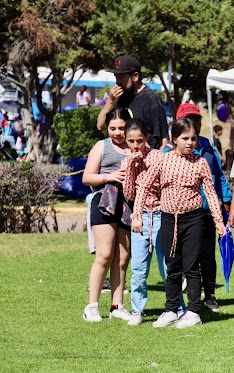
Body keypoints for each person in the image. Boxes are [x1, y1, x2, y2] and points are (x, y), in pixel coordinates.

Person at [133, 118, 226, 329]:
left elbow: (210, 194)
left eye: (193, 138)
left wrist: (218, 221)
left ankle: (193, 311)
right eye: (185, 138)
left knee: (192, 267)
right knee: (172, 266)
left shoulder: (200, 162)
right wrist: (137, 215)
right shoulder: (163, 160)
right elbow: (144, 186)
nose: (190, 142)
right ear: (174, 139)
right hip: (167, 218)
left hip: (194, 219)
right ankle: (171, 310)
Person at [171, 103, 232, 313]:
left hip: (207, 209)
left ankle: (210, 295)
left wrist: (226, 198)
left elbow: (218, 175)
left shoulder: (207, 145)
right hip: (183, 211)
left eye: (197, 119)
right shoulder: (170, 150)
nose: (194, 123)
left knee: (207, 254)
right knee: (186, 256)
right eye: (189, 118)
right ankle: (181, 298)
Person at [81, 108, 132, 323]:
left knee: (122, 258)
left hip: (128, 205)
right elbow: (87, 178)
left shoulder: (136, 146)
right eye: (113, 128)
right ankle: (91, 306)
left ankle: (117, 305)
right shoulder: (102, 146)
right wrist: (109, 177)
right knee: (104, 255)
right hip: (104, 203)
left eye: (122, 128)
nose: (118, 133)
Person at [121, 118, 166, 326]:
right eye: (131, 141)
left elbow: (152, 188)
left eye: (140, 140)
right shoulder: (126, 161)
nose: (136, 145)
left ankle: (176, 306)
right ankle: (137, 309)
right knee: (138, 267)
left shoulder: (157, 156)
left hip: (159, 214)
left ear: (146, 138)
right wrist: (130, 168)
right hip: (139, 219)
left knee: (167, 265)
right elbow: (129, 194)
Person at [97, 55, 169, 149]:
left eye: (121, 77)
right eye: (116, 77)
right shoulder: (120, 97)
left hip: (146, 160)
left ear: (135, 76)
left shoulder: (152, 100)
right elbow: (101, 126)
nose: (117, 82)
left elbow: (163, 140)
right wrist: (110, 101)